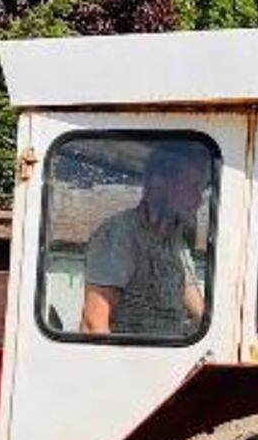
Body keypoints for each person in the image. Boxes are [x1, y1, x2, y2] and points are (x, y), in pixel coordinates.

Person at [80, 143, 210, 336]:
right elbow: (93, 325)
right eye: (193, 186)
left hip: (172, 354)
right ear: (162, 183)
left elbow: (200, 311)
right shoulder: (118, 235)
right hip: (133, 359)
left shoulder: (175, 242)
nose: (198, 200)